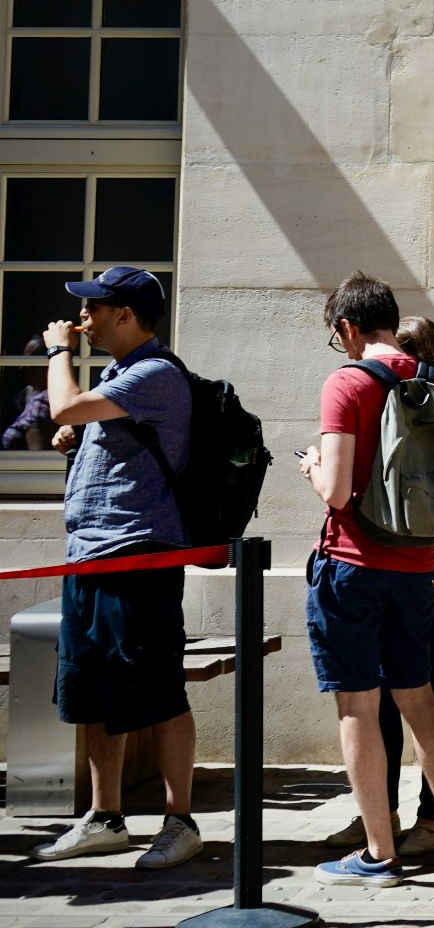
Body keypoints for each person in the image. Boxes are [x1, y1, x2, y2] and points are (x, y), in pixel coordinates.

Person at [301, 273, 434, 886]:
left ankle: (380, 854)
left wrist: (313, 465)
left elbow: (337, 489)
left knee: (357, 704)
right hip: (415, 567)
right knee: (421, 698)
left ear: (348, 328)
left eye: (337, 337)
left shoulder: (346, 382)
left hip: (353, 563)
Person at [29, 267, 202, 869]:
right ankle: (106, 817)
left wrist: (58, 353)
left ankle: (180, 821)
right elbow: (84, 425)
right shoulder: (119, 376)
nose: (85, 318)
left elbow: (63, 407)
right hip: (90, 554)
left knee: (157, 688)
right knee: (95, 689)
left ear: (125, 316)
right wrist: (81, 444)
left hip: (139, 554)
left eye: (96, 308)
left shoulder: (155, 373)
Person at [3, 337, 55, 450]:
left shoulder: (42, 402)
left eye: (29, 361)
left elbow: (37, 453)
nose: (22, 367)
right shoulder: (24, 397)